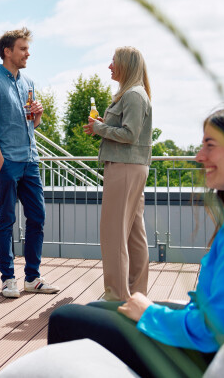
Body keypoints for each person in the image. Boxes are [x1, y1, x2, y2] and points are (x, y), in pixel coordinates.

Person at [48, 106, 224, 377]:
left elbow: (213, 332)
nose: (199, 156)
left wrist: (149, 313)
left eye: (210, 145)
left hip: (212, 357)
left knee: (66, 319)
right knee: (95, 309)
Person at [0, 27, 60, 298]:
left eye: (27, 48)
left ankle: (32, 278)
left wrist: (38, 114)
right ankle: (8, 278)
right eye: (23, 49)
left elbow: (31, 124)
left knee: (38, 217)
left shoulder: (29, 83)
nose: (28, 53)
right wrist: (1, 164)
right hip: (8, 163)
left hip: (31, 160)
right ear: (7, 51)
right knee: (7, 219)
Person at [83, 47, 153, 301]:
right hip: (132, 167)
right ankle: (136, 294)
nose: (110, 66)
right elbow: (127, 131)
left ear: (125, 65)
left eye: (113, 62)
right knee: (134, 233)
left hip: (124, 168)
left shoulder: (133, 95)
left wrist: (101, 128)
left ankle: (116, 296)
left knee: (113, 233)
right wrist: (103, 126)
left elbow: (130, 135)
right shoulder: (136, 94)